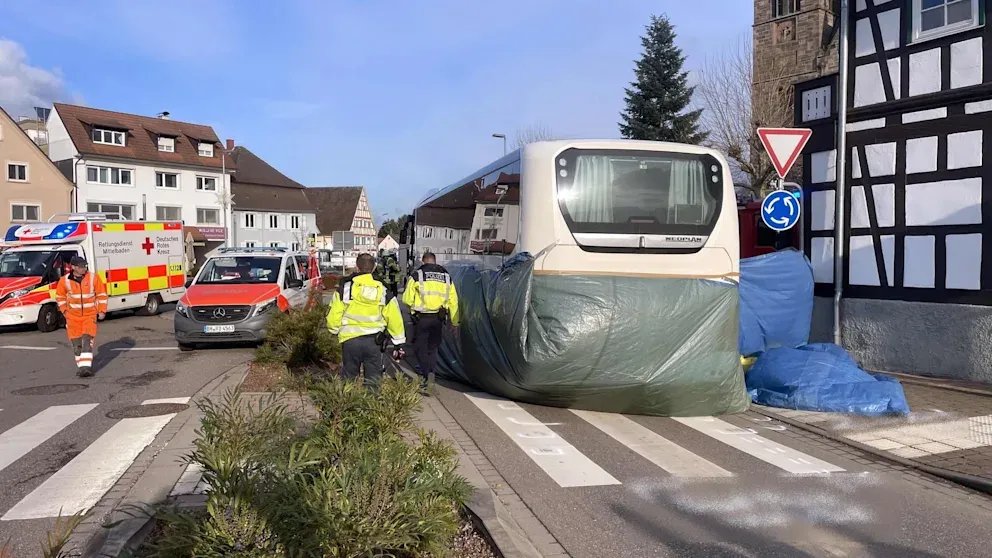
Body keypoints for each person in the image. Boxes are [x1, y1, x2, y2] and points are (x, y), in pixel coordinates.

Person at [326, 252, 406, 385]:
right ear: (374, 268)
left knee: (348, 380)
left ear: (357, 267)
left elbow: (333, 315)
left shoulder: (345, 289)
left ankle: (347, 404)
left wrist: (334, 330)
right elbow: (394, 317)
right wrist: (398, 342)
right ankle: (370, 404)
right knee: (373, 380)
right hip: (374, 342)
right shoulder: (383, 291)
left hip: (350, 341)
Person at [402, 252, 459, 393]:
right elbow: (454, 301)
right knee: (433, 348)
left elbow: (406, 299)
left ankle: (426, 375)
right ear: (435, 261)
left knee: (419, 348)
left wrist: (413, 310)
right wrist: (455, 323)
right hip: (438, 318)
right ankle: (431, 372)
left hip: (421, 318)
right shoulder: (446, 277)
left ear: (423, 262)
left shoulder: (417, 275)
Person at [55, 256, 108, 377]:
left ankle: (85, 368)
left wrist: (102, 310)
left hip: (89, 316)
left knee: (87, 341)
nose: (84, 268)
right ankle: (81, 367)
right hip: (72, 318)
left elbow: (101, 294)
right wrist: (65, 312)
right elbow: (60, 297)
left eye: (85, 266)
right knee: (76, 344)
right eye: (81, 266)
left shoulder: (93, 278)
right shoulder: (64, 281)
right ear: (73, 267)